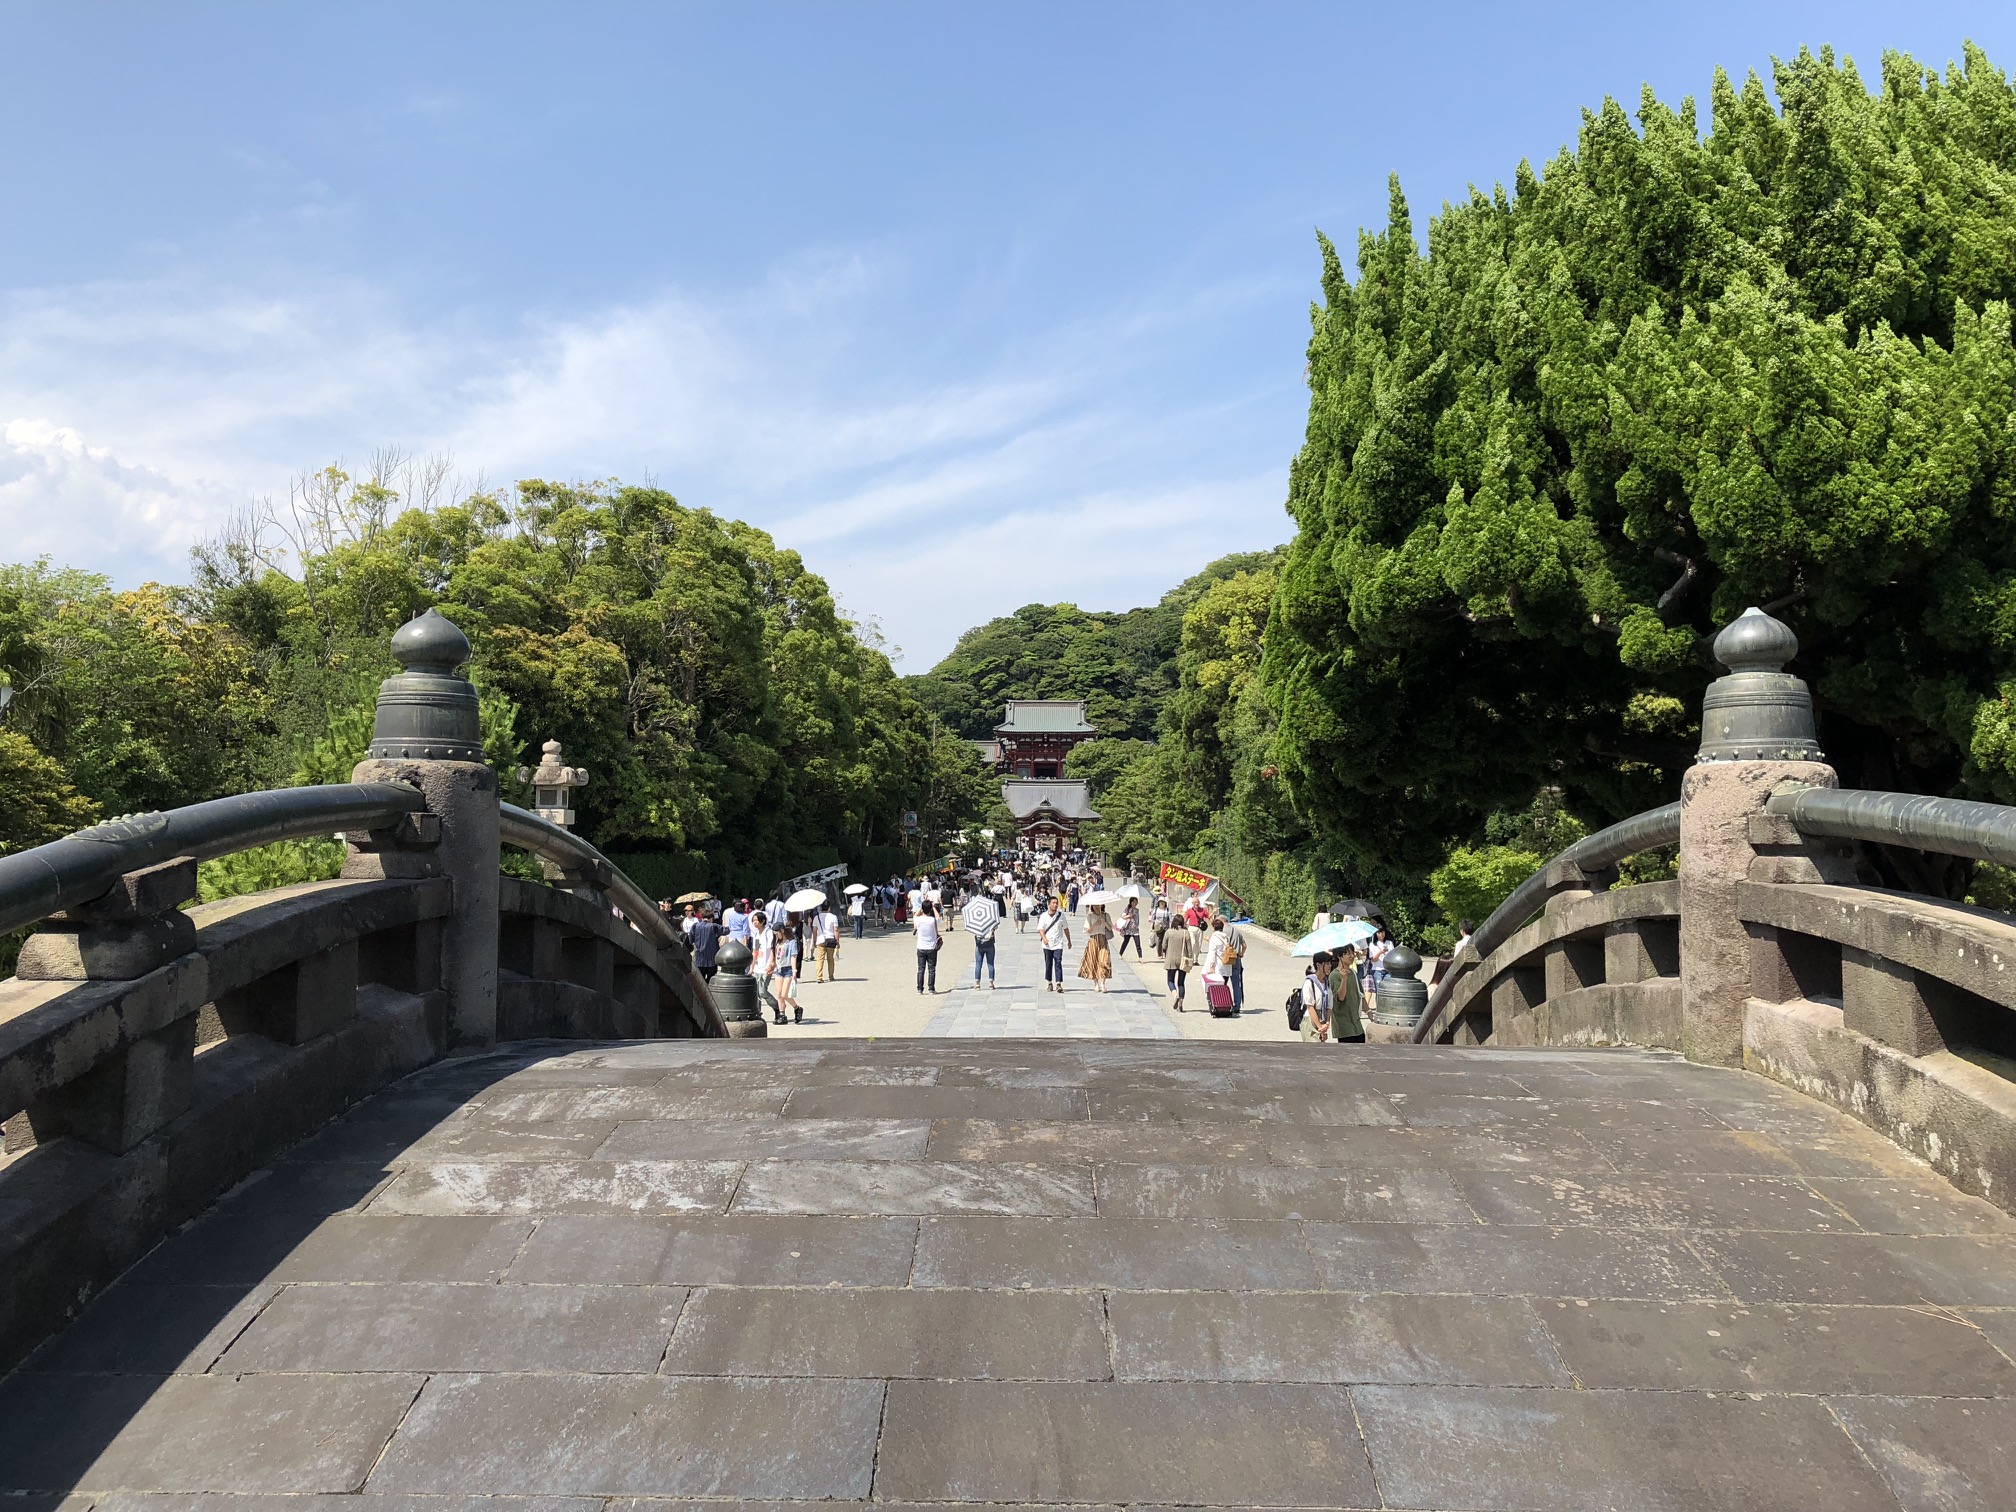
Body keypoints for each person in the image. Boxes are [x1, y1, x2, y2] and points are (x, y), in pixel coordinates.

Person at [1159, 908, 1196, 1010]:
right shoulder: (1186, 933)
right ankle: (1181, 1003)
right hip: (1183, 960)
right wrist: (1191, 960)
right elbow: (1190, 949)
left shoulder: (1168, 932)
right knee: (1181, 982)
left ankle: (1175, 995)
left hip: (1171, 959)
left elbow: (1163, 946)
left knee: (1170, 980)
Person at [1329, 943, 1367, 1044]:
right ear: (1339, 956)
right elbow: (1340, 998)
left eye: (1353, 953)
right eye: (1348, 953)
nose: (1352, 956)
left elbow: (1361, 995)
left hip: (1356, 1024)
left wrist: (1369, 1013)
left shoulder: (1354, 973)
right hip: (1344, 1026)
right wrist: (1344, 979)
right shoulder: (1334, 976)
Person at [1037, 896, 1072, 993]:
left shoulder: (1061, 915)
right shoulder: (1043, 916)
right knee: (1048, 963)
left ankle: (1058, 983)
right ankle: (1049, 982)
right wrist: (1044, 938)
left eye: (1056, 903)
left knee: (1058, 961)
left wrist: (1069, 940)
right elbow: (1041, 929)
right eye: (1053, 903)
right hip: (1047, 944)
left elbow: (1065, 928)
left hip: (1058, 943)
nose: (1055, 905)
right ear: (1049, 904)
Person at [1078, 902, 1114, 992]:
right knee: (1093, 961)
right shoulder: (1090, 916)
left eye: (1098, 905)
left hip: (1103, 939)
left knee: (1104, 960)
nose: (1096, 907)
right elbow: (1087, 930)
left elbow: (1110, 928)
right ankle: (1096, 984)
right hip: (1093, 940)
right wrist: (1095, 924)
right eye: (1094, 905)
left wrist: (1104, 922)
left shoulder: (1106, 915)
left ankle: (1103, 983)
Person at [1217, 910, 1248, 1011]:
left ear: (1221, 921)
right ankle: (1237, 1005)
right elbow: (1244, 945)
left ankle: (1223, 1002)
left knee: (1222, 982)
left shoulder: (1222, 932)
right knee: (1236, 984)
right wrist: (1241, 954)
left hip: (1225, 959)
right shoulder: (1236, 930)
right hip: (1236, 959)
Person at [968, 891, 1000, 988]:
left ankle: (977, 983)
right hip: (990, 943)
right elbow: (996, 927)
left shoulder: (975, 920)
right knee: (990, 963)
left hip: (979, 944)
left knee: (978, 963)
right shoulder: (991, 919)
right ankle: (991, 983)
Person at [1301, 952, 1334, 1042]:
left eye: (1330, 963)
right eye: (1327, 963)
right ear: (1318, 965)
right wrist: (1320, 1027)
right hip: (1311, 1020)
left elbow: (1329, 1007)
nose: (1330, 966)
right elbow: (1310, 1007)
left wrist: (1326, 1024)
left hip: (1322, 1020)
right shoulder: (1309, 982)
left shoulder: (1327, 983)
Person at [774, 917, 801, 1023]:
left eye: (777, 933)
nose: (776, 936)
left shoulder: (791, 942)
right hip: (779, 969)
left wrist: (794, 971)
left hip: (788, 969)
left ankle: (797, 1008)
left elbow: (793, 956)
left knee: (785, 994)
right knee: (779, 994)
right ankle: (782, 1015)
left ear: (782, 931)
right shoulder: (778, 942)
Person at [913, 898, 943, 994]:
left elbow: (915, 915)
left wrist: (921, 907)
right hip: (931, 947)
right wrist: (933, 907)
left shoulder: (918, 920)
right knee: (931, 969)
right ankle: (931, 988)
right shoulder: (933, 920)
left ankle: (919, 989)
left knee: (921, 969)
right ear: (930, 909)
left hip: (921, 947)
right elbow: (939, 917)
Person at [690, 908, 722, 981]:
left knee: (700, 979)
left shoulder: (695, 926)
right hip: (711, 957)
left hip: (699, 957)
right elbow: (725, 930)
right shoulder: (714, 926)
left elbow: (691, 939)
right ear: (711, 918)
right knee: (711, 979)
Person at [814, 902, 841, 982]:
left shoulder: (816, 917)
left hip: (820, 940)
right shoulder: (833, 917)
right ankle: (831, 976)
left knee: (820, 959)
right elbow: (835, 930)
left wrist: (814, 940)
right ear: (829, 908)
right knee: (830, 959)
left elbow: (814, 931)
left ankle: (819, 977)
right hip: (830, 940)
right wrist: (837, 941)